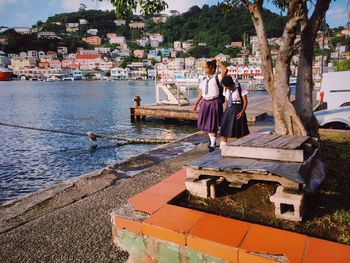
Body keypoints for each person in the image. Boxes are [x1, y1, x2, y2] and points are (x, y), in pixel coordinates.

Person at [192, 59, 228, 152]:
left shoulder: (218, 78)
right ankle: (212, 141)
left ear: (212, 69)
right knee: (206, 124)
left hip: (214, 102)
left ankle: (212, 144)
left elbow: (225, 70)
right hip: (205, 102)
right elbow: (201, 92)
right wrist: (196, 104)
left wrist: (218, 61)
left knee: (213, 124)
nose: (205, 69)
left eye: (206, 68)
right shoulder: (204, 79)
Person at [219, 75, 249, 148]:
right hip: (228, 111)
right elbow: (226, 100)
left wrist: (242, 112)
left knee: (238, 132)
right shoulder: (225, 88)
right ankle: (223, 149)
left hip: (238, 109)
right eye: (225, 86)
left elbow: (245, 101)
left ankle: (238, 148)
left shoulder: (240, 87)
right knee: (224, 132)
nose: (226, 88)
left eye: (227, 86)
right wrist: (225, 110)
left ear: (231, 83)